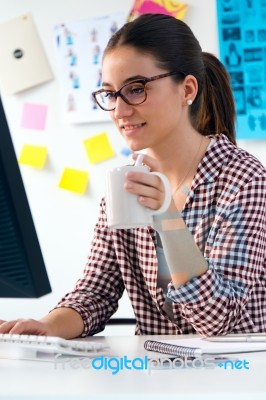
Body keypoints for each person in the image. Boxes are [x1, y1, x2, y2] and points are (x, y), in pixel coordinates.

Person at [0, 14, 265, 338]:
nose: (120, 111)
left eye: (136, 89)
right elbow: (94, 295)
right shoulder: (126, 182)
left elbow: (219, 323)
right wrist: (46, 326)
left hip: (236, 380)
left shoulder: (246, 181)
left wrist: (168, 216)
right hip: (155, 377)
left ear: (187, 90)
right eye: (111, 94)